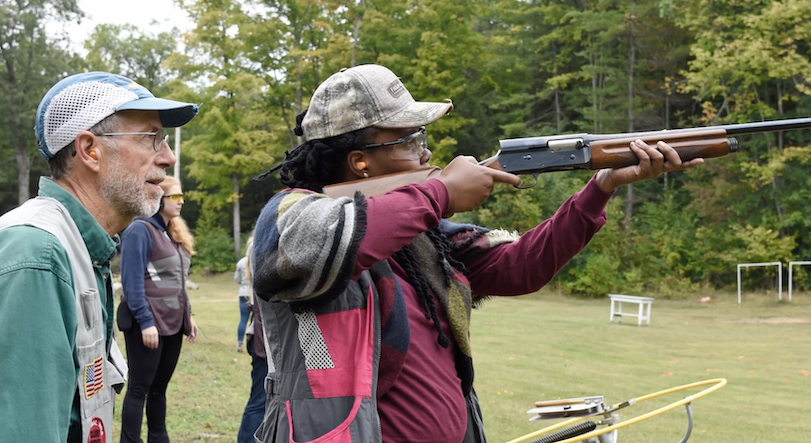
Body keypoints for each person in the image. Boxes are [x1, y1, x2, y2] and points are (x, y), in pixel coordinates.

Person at [250, 64, 703, 443]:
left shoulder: (422, 233)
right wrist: (440, 193)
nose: (425, 149)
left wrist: (599, 189)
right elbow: (319, 245)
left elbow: (520, 267)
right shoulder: (291, 215)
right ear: (359, 161)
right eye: (408, 139)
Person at [0, 72, 198, 443]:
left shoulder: (81, 248)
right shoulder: (36, 260)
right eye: (151, 137)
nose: (169, 157)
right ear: (91, 150)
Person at [117, 175, 199, 443]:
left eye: (181, 195)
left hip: (173, 323)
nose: (181, 201)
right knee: (139, 388)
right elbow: (131, 283)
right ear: (158, 199)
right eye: (175, 196)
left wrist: (189, 317)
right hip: (148, 325)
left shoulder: (170, 233)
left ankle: (158, 437)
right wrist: (145, 321)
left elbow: (178, 283)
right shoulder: (139, 230)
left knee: (159, 389)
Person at [236, 234, 268, 442]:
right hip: (264, 339)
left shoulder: (257, 248)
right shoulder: (263, 248)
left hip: (264, 337)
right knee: (259, 400)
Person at [234, 250, 252, 352]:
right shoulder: (256, 257)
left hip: (243, 292)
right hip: (253, 293)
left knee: (243, 319)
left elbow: (237, 279)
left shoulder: (241, 262)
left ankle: (240, 342)